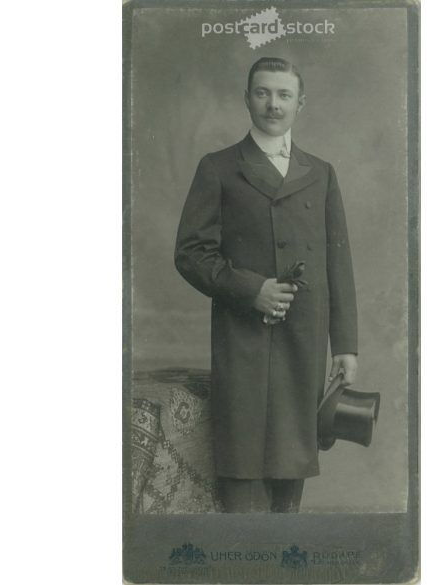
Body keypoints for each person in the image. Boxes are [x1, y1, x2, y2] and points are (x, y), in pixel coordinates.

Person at [175, 57, 358, 513]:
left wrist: (346, 346)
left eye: (283, 95)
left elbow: (339, 264)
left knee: (290, 471)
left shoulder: (322, 172)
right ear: (246, 99)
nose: (272, 104)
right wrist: (249, 288)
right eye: (262, 93)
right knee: (243, 470)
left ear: (300, 103)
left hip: (303, 342)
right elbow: (191, 253)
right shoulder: (217, 167)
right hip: (244, 342)